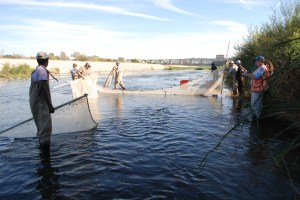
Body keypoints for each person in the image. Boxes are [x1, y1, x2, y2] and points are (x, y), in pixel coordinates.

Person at [29, 51, 55, 154]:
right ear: (46, 61)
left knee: (41, 128)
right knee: (45, 129)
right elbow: (43, 89)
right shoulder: (42, 71)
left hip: (35, 102)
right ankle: (46, 160)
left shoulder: (37, 70)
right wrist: (50, 106)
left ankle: (43, 158)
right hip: (41, 103)